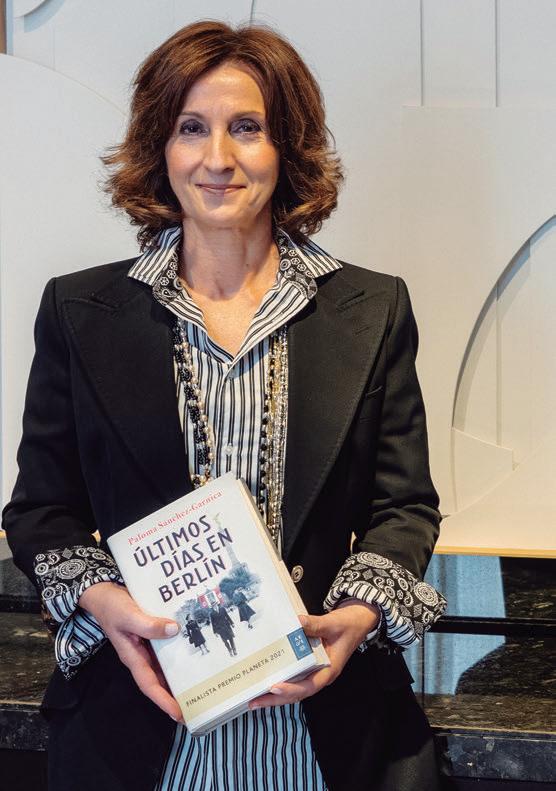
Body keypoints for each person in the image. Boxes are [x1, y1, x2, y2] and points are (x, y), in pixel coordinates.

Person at [2, 20, 447, 791]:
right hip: (140, 737)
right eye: (190, 128)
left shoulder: (372, 309)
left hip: (325, 742)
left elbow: (403, 507)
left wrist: (356, 618)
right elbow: (42, 509)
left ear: (287, 147)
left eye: (247, 127)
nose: (217, 158)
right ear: (160, 148)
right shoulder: (79, 311)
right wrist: (105, 603)